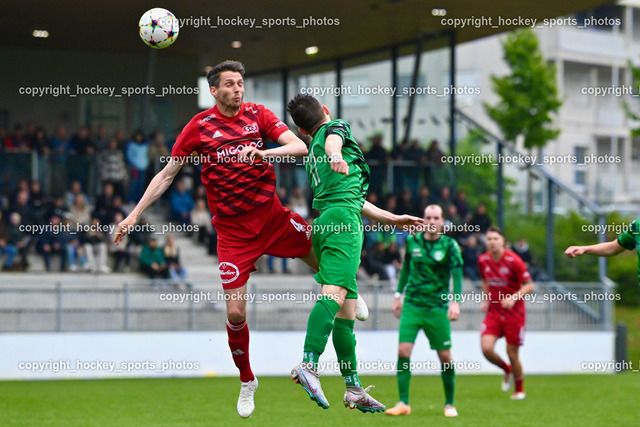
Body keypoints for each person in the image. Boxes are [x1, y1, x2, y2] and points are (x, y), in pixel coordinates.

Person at [115, 61, 418, 419]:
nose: (237, 89)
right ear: (213, 91)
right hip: (232, 233)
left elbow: (299, 146)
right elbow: (167, 174)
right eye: (230, 84)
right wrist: (134, 214)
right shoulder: (199, 127)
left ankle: (344, 305)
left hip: (273, 218)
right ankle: (248, 380)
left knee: (327, 263)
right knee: (235, 312)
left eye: (240, 83)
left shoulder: (258, 115)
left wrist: (264, 153)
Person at [286, 94, 421, 414]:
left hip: (327, 220)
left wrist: (393, 219)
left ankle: (353, 387)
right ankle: (308, 364)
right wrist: (336, 154)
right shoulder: (335, 128)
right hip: (344, 225)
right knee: (333, 296)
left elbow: (353, 198)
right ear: (326, 111)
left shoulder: (311, 151)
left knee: (346, 316)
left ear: (302, 131)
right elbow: (334, 139)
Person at [386, 205, 463, 418]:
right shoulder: (412, 241)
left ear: (442, 221)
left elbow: (457, 276)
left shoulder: (450, 246)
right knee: (403, 351)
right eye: (428, 217)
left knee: (445, 356)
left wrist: (456, 302)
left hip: (437, 307)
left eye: (436, 218)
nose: (431, 221)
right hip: (412, 305)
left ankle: (449, 404)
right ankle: (403, 402)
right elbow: (405, 270)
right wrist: (397, 296)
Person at [478, 226, 535, 400]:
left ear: (503, 241)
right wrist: (486, 299)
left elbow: (529, 286)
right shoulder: (483, 260)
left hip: (514, 313)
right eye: (489, 239)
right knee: (486, 349)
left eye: (496, 238)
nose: (492, 242)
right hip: (494, 313)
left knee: (512, 353)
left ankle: (519, 389)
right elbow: (485, 281)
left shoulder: (514, 260)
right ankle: (507, 369)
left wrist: (513, 298)